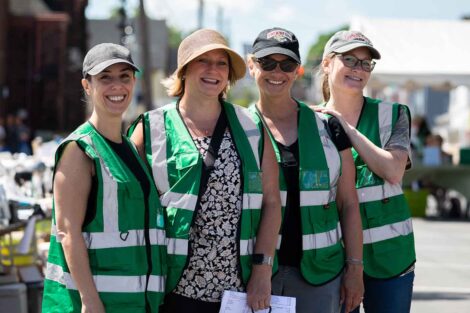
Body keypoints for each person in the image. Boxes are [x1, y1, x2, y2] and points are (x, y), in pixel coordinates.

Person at [129, 28, 281, 313]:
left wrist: (262, 271)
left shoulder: (253, 127)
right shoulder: (149, 128)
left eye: (221, 63)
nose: (213, 70)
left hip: (238, 291)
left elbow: (272, 202)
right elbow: (131, 206)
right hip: (170, 287)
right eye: (203, 61)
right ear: (184, 70)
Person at [42, 43, 167, 313]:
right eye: (105, 78)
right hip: (95, 305)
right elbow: (67, 232)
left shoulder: (132, 150)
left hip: (136, 303)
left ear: (134, 82)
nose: (117, 86)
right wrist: (90, 300)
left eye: (124, 77)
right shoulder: (79, 149)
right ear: (87, 86)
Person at [247, 27, 363, 313]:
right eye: (267, 63)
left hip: (320, 276)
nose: (277, 72)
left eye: (286, 64)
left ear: (297, 70)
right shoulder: (237, 128)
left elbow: (348, 203)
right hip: (252, 273)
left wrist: (355, 269)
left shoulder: (329, 127)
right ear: (251, 65)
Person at [317, 30, 416, 313]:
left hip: (391, 258)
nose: (358, 69)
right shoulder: (310, 121)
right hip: (332, 257)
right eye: (349, 59)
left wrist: (344, 128)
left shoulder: (394, 114)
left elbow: (393, 170)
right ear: (327, 63)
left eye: (365, 63)